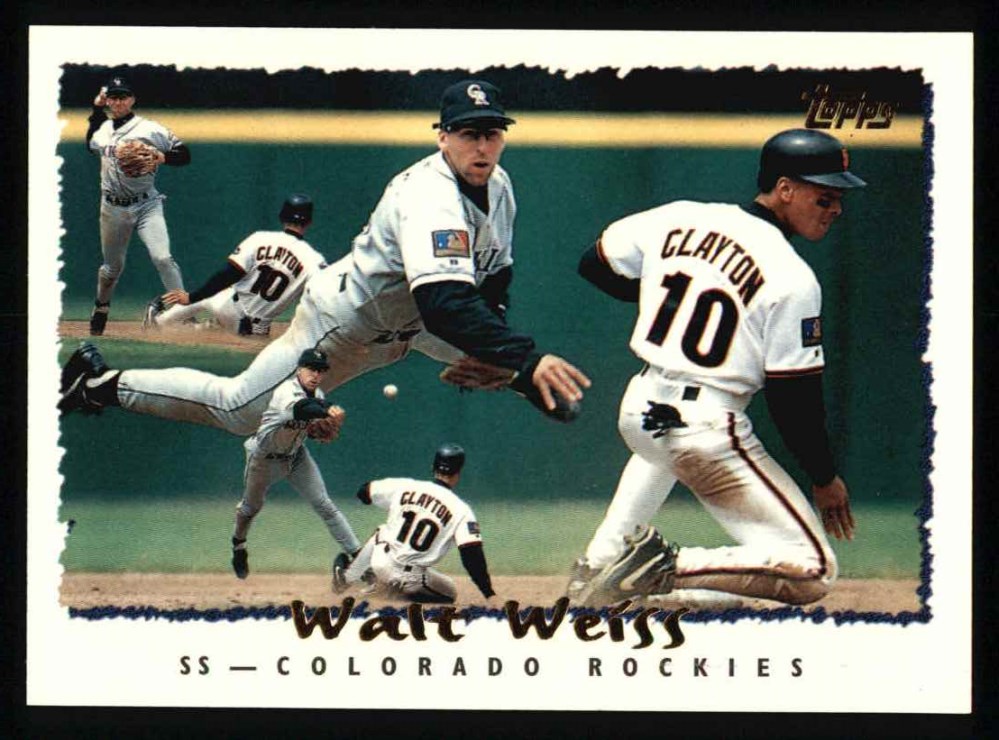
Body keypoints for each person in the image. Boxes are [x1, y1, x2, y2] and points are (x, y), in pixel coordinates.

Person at [59, 78, 590, 434]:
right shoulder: (430, 195)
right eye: (469, 133)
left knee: (497, 348)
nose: (483, 146)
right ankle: (100, 383)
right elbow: (447, 303)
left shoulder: (499, 184)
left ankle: (522, 377)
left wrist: (496, 355)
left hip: (410, 320)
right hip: (347, 322)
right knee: (239, 410)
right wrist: (521, 358)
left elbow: (493, 278)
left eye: (492, 133)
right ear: (443, 137)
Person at [568, 128, 862, 608]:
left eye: (838, 200)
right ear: (785, 189)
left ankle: (601, 565)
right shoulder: (792, 277)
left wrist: (662, 296)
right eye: (824, 197)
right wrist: (824, 478)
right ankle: (660, 566)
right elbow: (794, 401)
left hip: (641, 408)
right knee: (812, 570)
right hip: (705, 426)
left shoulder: (681, 216)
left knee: (661, 450)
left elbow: (593, 263)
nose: (835, 209)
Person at [230, 348, 362, 583]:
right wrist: (327, 408)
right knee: (250, 508)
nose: (316, 375)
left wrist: (317, 428)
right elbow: (302, 408)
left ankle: (359, 559)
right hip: (263, 458)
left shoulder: (318, 393)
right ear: (299, 369)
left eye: (320, 370)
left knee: (324, 504)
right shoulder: (286, 390)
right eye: (311, 368)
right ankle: (239, 545)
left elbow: (308, 420)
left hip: (295, 456)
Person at [84, 75, 191, 336]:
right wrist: (96, 109)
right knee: (111, 269)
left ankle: (184, 314)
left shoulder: (150, 128)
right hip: (112, 208)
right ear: (107, 100)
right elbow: (91, 143)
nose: (118, 102)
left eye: (123, 97)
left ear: (132, 99)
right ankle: (101, 307)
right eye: (113, 97)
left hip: (146, 205)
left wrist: (162, 156)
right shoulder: (103, 129)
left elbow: (184, 154)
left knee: (163, 258)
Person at [145, 194, 327, 337]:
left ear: (282, 216)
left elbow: (228, 275)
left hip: (231, 308)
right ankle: (208, 327)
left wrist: (191, 297)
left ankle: (160, 322)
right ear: (309, 222)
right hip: (257, 331)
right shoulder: (314, 260)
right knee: (232, 325)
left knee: (210, 295)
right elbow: (321, 296)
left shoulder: (260, 238)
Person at [333, 443, 495, 604]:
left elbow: (364, 492)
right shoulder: (461, 510)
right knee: (450, 593)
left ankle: (348, 577)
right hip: (412, 580)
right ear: (458, 473)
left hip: (381, 562)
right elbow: (472, 555)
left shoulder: (405, 486)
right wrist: (489, 593)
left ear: (433, 467)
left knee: (382, 532)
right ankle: (393, 592)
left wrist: (402, 505)